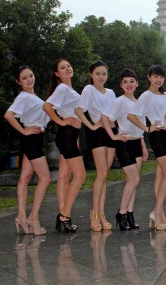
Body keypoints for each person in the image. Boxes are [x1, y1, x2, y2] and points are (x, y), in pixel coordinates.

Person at [4, 66, 52, 235]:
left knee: (24, 179)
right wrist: (24, 131)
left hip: (34, 139)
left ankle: (21, 216)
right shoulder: (23, 97)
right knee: (45, 178)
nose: (29, 79)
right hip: (31, 140)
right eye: (24, 78)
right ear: (18, 82)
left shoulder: (33, 97)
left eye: (30, 75)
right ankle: (33, 218)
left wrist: (40, 127)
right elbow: (8, 115)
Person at [127, 65, 166, 231]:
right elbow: (131, 115)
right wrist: (147, 128)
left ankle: (160, 215)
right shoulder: (146, 96)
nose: (158, 79)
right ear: (149, 77)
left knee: (161, 175)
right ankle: (156, 212)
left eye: (161, 76)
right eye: (155, 76)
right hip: (158, 136)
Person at [101, 68, 148, 230]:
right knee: (134, 179)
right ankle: (121, 213)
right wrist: (113, 136)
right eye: (125, 82)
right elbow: (104, 117)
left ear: (137, 83)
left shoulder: (140, 102)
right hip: (124, 143)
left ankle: (130, 214)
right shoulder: (119, 101)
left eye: (132, 81)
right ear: (121, 85)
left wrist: (143, 146)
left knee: (132, 182)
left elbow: (140, 127)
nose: (129, 84)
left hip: (137, 144)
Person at [43, 59, 86, 232]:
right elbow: (47, 106)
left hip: (70, 136)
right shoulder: (62, 88)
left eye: (68, 65)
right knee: (80, 175)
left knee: (64, 176)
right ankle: (64, 216)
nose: (67, 68)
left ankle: (63, 216)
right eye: (62, 67)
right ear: (57, 74)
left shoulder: (69, 90)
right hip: (66, 135)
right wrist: (61, 121)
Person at [75, 61, 116, 232]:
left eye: (104, 74)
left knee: (104, 176)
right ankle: (94, 214)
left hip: (111, 132)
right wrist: (91, 126)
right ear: (91, 75)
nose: (101, 77)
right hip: (97, 133)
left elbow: (114, 113)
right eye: (98, 73)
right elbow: (78, 110)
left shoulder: (111, 92)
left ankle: (101, 214)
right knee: (102, 173)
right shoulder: (88, 89)